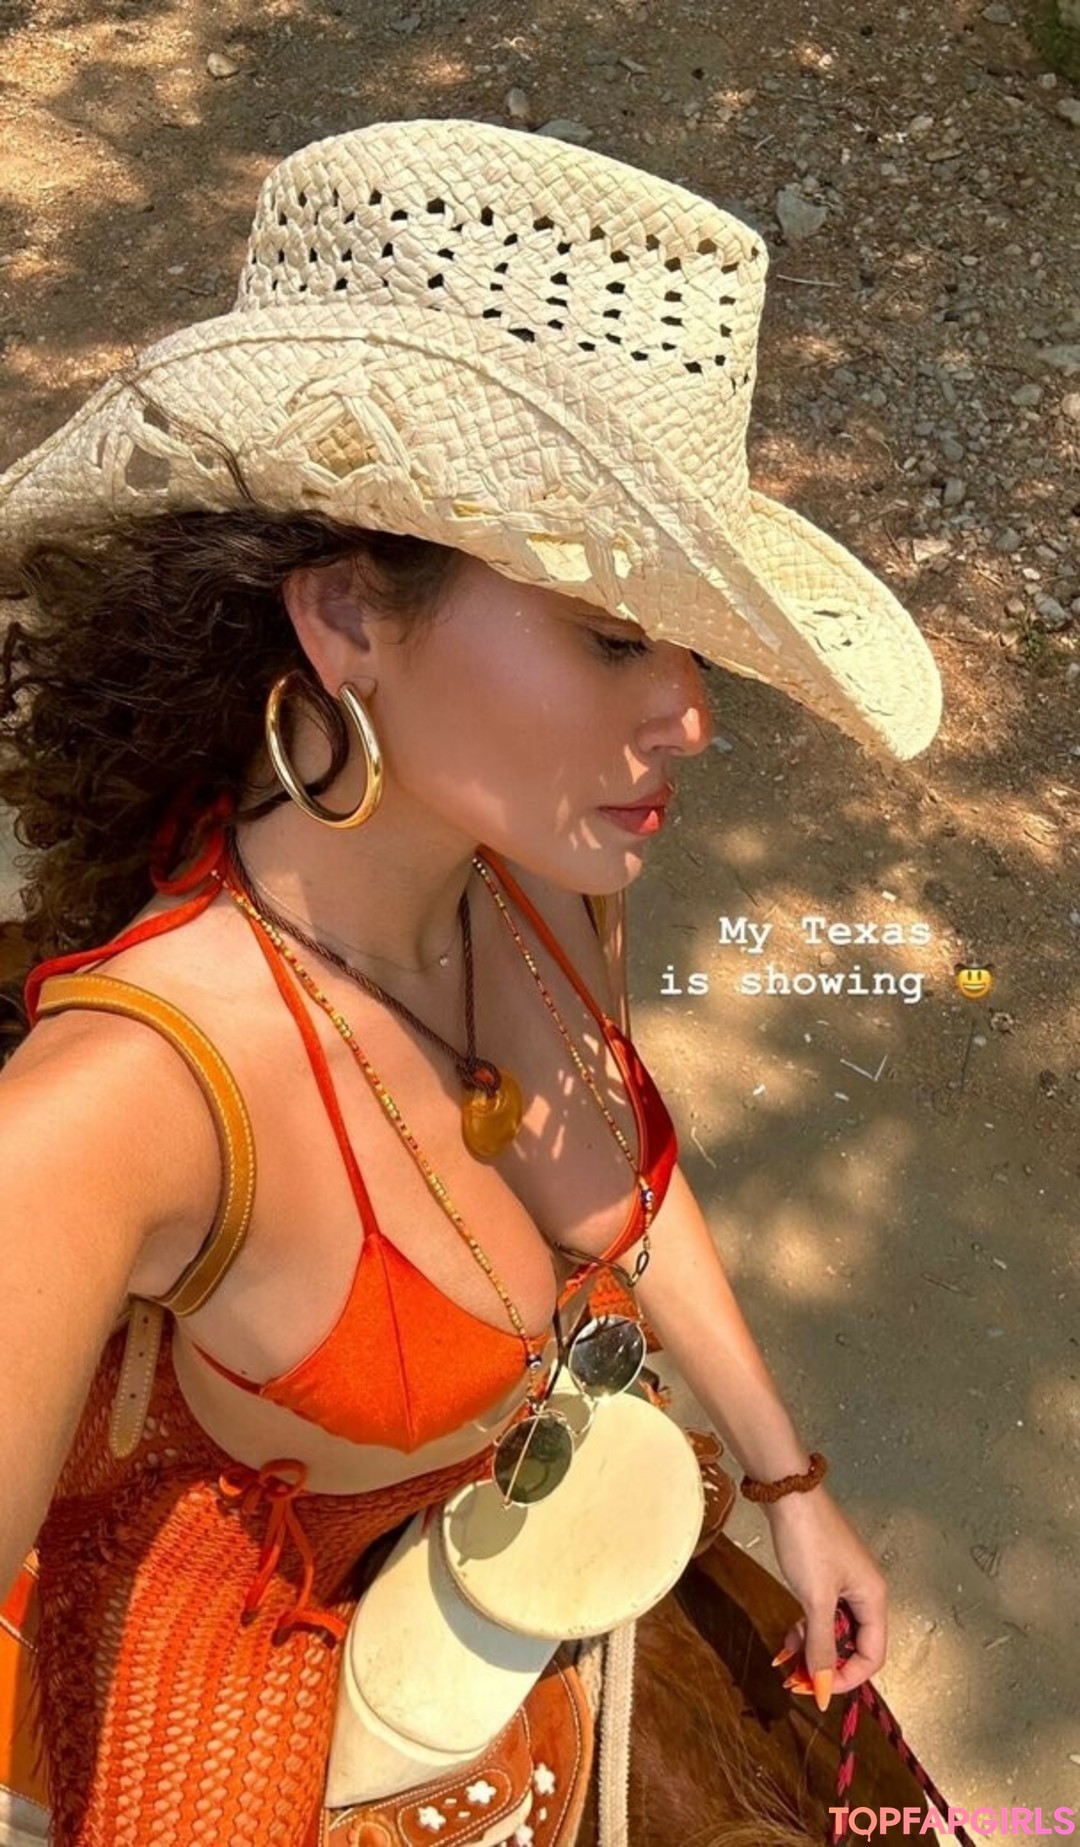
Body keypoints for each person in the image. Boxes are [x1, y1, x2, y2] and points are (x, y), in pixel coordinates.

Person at [0, 119, 942, 1847]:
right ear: (349, 618)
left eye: (693, 646)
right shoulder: (117, 1111)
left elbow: (616, 1184)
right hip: (243, 1618)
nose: (692, 716)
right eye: (613, 637)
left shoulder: (530, 887)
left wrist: (790, 1483)